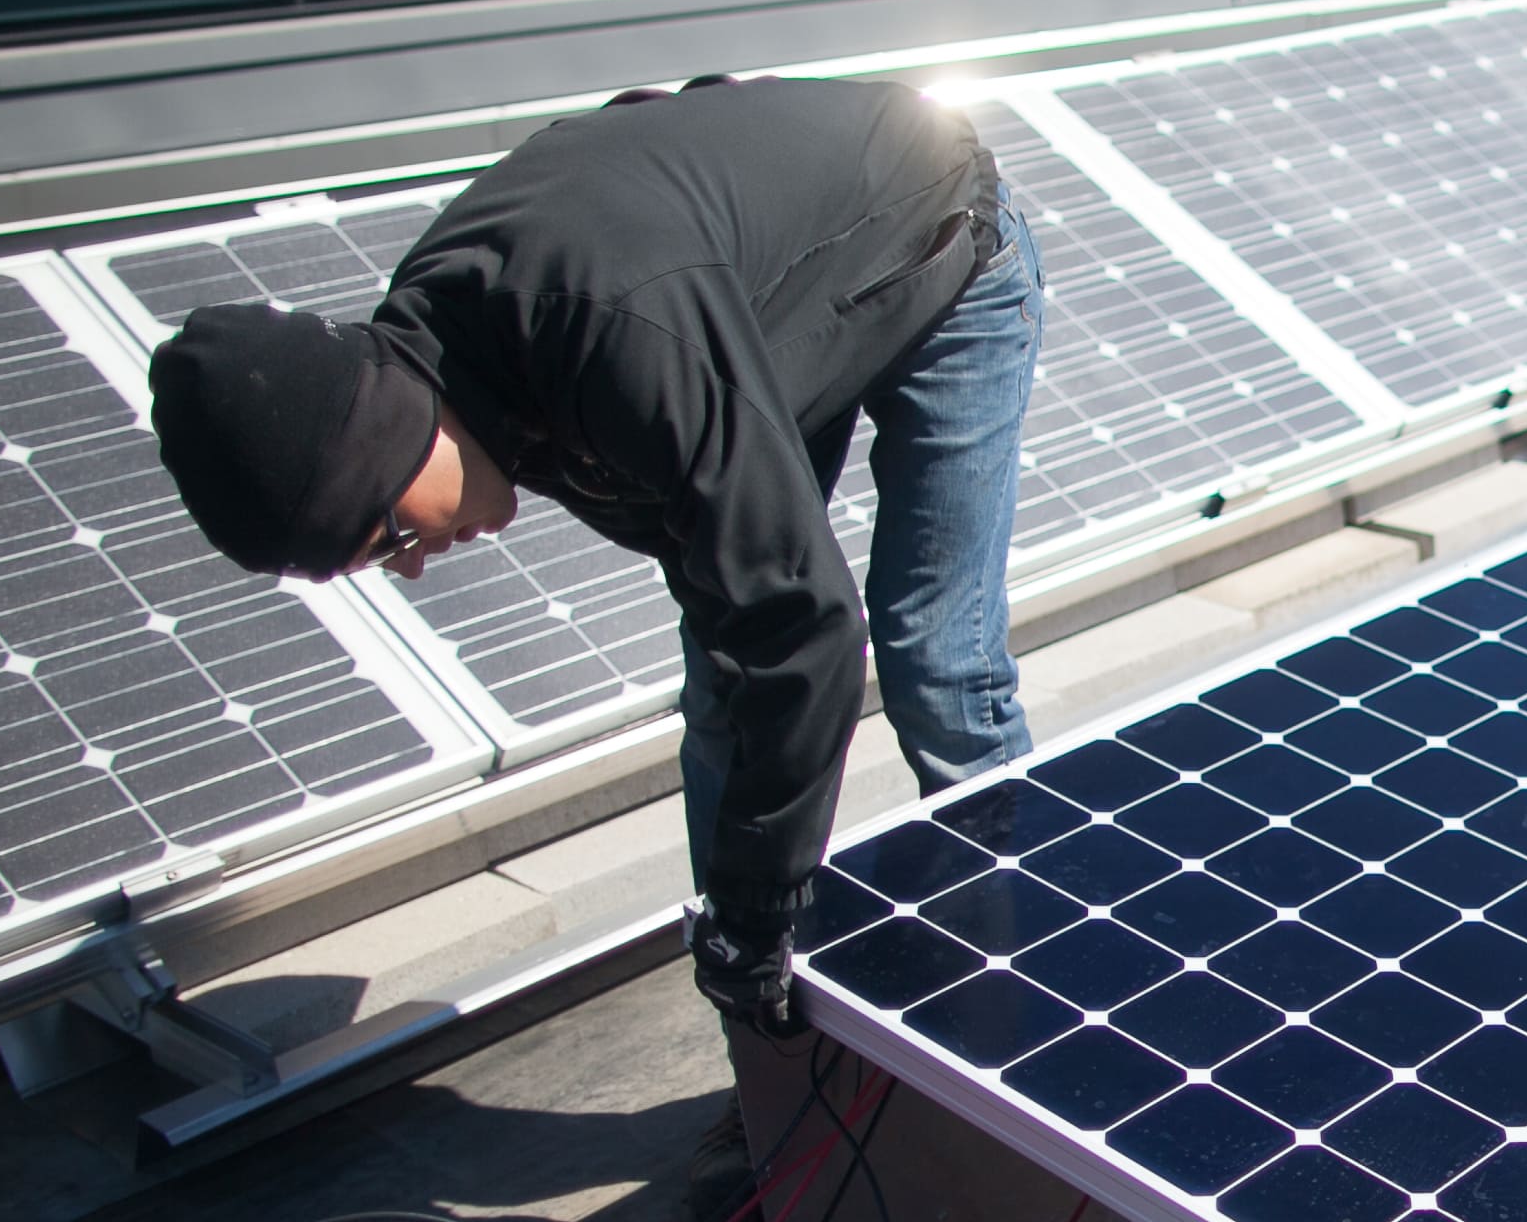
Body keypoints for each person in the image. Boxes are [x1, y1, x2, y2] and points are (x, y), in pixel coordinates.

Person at [144, 74, 1043, 1143]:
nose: (418, 565)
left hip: (938, 239)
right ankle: (772, 1077)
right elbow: (740, 614)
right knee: (726, 683)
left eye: (389, 538)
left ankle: (1033, 1012)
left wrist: (755, 916)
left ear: (392, 437)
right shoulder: (466, 360)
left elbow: (805, 628)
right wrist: (751, 955)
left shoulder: (608, 330)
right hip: (762, 307)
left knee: (933, 658)